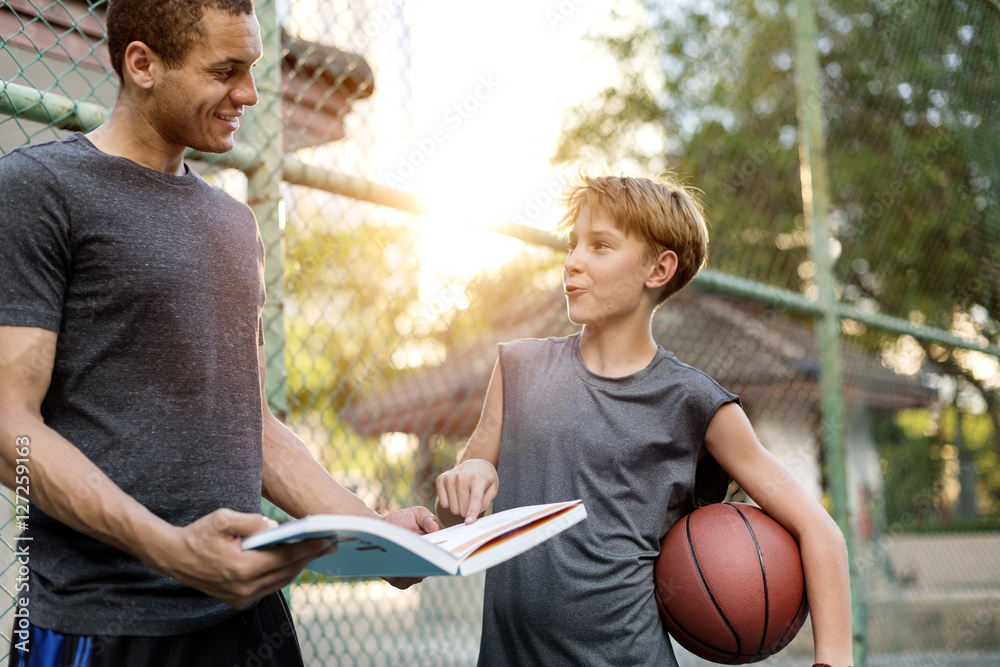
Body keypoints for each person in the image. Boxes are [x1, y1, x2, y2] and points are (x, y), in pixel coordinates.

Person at [0, 1, 437, 665]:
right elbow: (10, 429)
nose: (251, 94)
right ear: (142, 64)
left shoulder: (237, 225)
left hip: (249, 622)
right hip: (101, 623)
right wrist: (169, 547)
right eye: (226, 71)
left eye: (252, 68)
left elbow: (251, 423)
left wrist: (372, 532)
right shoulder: (38, 189)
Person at [435, 175, 854, 667]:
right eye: (573, 245)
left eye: (601, 246)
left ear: (658, 269)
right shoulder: (517, 368)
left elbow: (820, 531)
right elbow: (454, 521)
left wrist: (834, 660)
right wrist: (467, 481)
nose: (572, 261)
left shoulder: (694, 402)